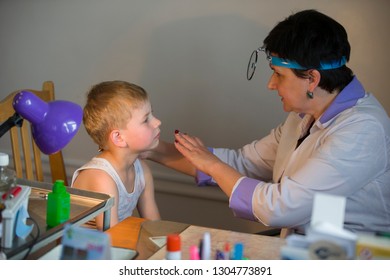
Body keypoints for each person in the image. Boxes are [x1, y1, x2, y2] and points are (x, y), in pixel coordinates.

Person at [144, 10, 390, 237]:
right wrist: (149, 148)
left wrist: (213, 166)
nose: (270, 84)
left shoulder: (362, 131)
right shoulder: (302, 116)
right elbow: (243, 164)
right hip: (305, 246)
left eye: (278, 74)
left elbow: (279, 208)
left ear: (312, 79)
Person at [72, 81, 161, 230]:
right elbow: (112, 238)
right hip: (91, 251)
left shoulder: (142, 171)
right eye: (146, 119)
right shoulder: (102, 178)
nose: (158, 122)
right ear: (119, 138)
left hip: (119, 248)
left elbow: (155, 227)